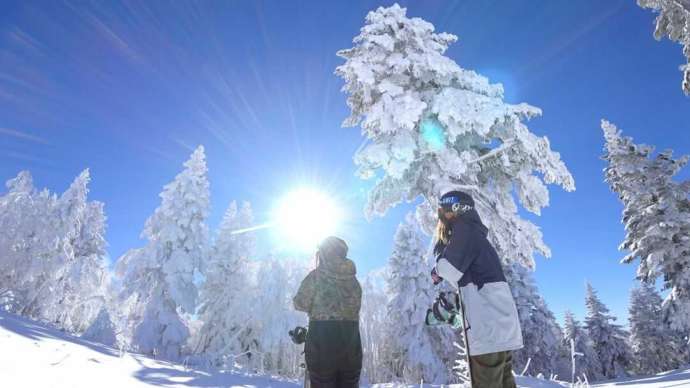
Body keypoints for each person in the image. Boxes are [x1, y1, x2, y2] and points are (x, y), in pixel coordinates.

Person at [431, 190, 523, 388]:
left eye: (446, 210)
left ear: (458, 208)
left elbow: (450, 269)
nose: (443, 216)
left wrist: (437, 270)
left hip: (487, 326)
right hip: (500, 324)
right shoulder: (475, 234)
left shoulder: (465, 229)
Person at [293, 236, 363, 388]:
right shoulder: (354, 282)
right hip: (351, 351)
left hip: (321, 351)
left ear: (324, 253)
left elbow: (299, 303)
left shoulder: (316, 277)